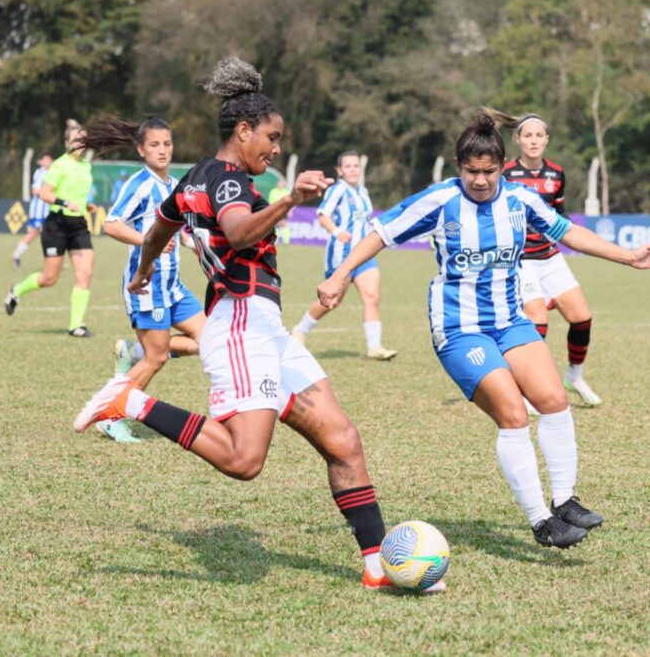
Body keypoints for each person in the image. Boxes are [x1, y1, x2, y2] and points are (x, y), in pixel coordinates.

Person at [73, 57, 427, 591]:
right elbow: (238, 234)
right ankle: (131, 401)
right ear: (243, 131)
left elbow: (157, 232)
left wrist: (143, 273)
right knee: (244, 460)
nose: (277, 148)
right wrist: (290, 200)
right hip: (239, 323)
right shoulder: (231, 183)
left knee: (343, 440)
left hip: (265, 330)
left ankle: (378, 567)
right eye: (272, 137)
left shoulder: (194, 178)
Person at [318, 110, 650, 549]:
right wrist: (338, 276)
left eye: (489, 171)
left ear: (502, 167)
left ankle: (564, 500)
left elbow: (569, 234)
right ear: (458, 167)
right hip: (459, 328)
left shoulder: (521, 200)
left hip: (510, 322)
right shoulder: (441, 200)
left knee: (554, 400)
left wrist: (629, 256)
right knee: (514, 413)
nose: (480, 180)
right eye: (471, 172)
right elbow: (379, 234)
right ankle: (541, 520)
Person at [76, 115, 206, 443]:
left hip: (172, 285)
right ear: (141, 149)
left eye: (167, 144)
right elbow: (112, 224)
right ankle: (111, 416)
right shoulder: (141, 184)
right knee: (157, 358)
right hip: (146, 286)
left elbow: (179, 228)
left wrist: (192, 245)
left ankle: (133, 352)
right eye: (154, 145)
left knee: (211, 341)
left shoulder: (172, 183)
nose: (162, 151)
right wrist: (148, 241)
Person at [503, 114, 602, 406]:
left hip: (551, 257)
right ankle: (529, 390)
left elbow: (559, 215)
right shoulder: (506, 174)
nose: (533, 141)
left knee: (582, 318)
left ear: (547, 140)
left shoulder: (556, 174)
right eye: (528, 136)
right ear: (518, 140)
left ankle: (575, 375)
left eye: (539, 135)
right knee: (538, 320)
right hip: (521, 260)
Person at [291, 151, 396, 360]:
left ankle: (374, 347)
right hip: (342, 253)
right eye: (348, 166)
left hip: (364, 255)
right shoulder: (338, 190)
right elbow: (322, 215)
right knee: (333, 300)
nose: (352, 170)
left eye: (356, 166)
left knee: (372, 296)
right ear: (339, 171)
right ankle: (300, 330)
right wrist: (337, 232)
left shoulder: (363, 192)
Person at [4, 119, 97, 337]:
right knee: (49, 278)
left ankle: (76, 326)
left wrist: (86, 205)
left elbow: (79, 195)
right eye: (75, 141)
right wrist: (65, 203)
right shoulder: (59, 165)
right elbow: (45, 193)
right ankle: (16, 291)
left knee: (85, 273)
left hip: (79, 226)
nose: (80, 144)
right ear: (67, 143)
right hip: (57, 225)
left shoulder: (86, 165)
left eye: (83, 141)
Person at [11, 153, 53, 269]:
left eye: (49, 159)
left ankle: (53, 260)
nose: (47, 162)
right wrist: (49, 194)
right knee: (33, 233)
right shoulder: (40, 173)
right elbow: (35, 190)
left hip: (48, 210)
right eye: (45, 159)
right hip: (39, 210)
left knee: (52, 234)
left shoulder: (52, 172)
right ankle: (16, 255)